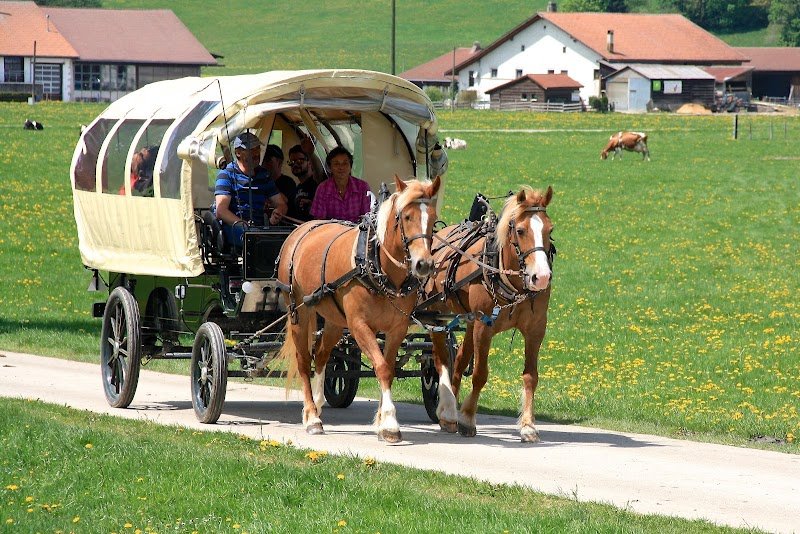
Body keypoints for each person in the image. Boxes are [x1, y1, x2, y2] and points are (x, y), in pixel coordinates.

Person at [213, 132, 288, 246]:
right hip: (234, 227)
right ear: (238, 153)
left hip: (258, 228)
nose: (256, 153)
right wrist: (243, 224)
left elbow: (281, 203)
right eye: (251, 149)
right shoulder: (226, 174)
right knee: (256, 242)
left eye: (257, 148)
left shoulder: (264, 175)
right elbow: (221, 211)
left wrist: (279, 211)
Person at [310, 146, 372, 223]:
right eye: (336, 164)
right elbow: (319, 220)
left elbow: (367, 218)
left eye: (345, 163)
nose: (341, 167)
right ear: (330, 167)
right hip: (331, 230)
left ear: (350, 166)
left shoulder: (362, 187)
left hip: (357, 229)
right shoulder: (323, 189)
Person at [259, 144, 297, 222]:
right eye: (263, 160)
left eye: (268, 160)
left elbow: (283, 200)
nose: (264, 164)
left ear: (279, 162)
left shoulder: (288, 182)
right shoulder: (260, 182)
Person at [287, 144, 319, 221]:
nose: (295, 165)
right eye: (291, 162)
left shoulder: (318, 182)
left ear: (309, 162)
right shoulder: (297, 189)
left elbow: (318, 171)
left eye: (299, 161)